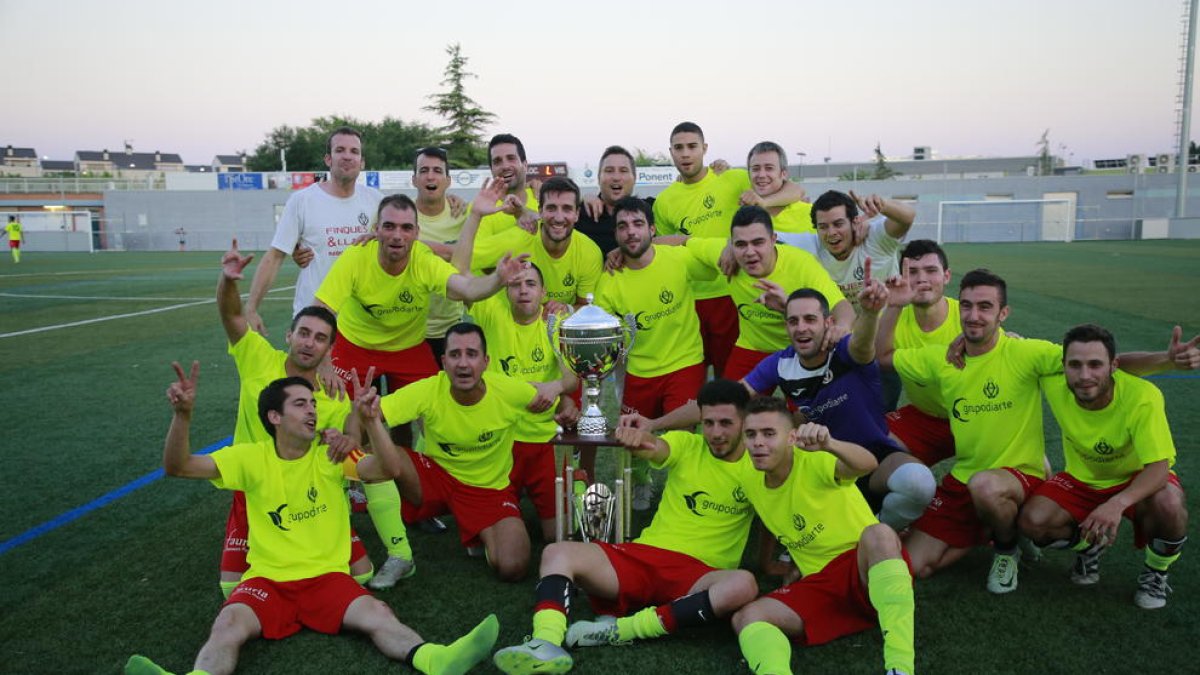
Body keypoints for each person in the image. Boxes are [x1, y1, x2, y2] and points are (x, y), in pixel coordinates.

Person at [126, 367, 499, 675]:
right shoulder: (250, 458)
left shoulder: (331, 456)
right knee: (227, 625)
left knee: (378, 613)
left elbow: (388, 468)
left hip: (327, 579)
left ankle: (435, 659)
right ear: (274, 417)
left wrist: (370, 422)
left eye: (313, 404)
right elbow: (178, 466)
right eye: (300, 404)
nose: (312, 411)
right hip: (267, 581)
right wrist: (183, 415)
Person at [876, 269, 1197, 594]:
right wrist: (893, 306)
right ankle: (987, 530)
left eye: (985, 307)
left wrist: (1167, 361)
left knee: (986, 487)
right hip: (965, 477)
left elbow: (1096, 359)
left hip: (1015, 475)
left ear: (1003, 314)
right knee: (915, 567)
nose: (974, 315)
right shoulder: (942, 358)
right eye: (967, 306)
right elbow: (883, 358)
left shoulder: (1027, 354)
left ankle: (1006, 550)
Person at [492, 380, 758, 675]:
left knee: (743, 584)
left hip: (701, 577)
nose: (716, 433)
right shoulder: (689, 445)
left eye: (725, 423)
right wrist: (638, 438)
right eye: (708, 423)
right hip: (646, 556)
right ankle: (545, 643)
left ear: (744, 422)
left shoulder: (759, 465)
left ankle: (622, 630)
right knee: (557, 552)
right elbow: (657, 447)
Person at [215, 239, 416, 592]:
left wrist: (355, 425)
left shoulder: (332, 394)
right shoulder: (259, 359)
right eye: (304, 333)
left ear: (329, 350)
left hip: (309, 488)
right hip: (256, 486)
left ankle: (399, 552)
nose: (309, 342)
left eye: (320, 338)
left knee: (361, 574)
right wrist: (229, 281)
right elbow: (232, 316)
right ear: (289, 335)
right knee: (232, 590)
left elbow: (350, 437)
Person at [731, 396, 915, 675]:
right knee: (748, 616)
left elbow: (867, 464)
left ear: (791, 437)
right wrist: (769, 562)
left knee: (879, 533)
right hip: (821, 584)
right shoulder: (749, 477)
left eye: (769, 434)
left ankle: (900, 667)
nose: (758, 442)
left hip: (864, 569)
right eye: (751, 434)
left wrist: (830, 444)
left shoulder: (815, 460)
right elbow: (769, 515)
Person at [1019, 323, 1189, 609]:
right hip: (1082, 480)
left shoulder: (1142, 396)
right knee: (1032, 522)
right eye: (1075, 365)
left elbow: (1159, 467)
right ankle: (1089, 545)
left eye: (1095, 365)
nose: (1084, 376)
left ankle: (1156, 572)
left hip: (1137, 479)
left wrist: (1118, 503)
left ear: (1114, 366)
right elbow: (997, 345)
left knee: (1170, 505)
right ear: (1062, 366)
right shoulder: (1054, 381)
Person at [313, 193, 526, 401]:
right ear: (376, 229)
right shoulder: (356, 255)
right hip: (355, 345)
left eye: (406, 228)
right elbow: (321, 310)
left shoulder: (423, 260)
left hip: (408, 347)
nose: (397, 235)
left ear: (417, 232)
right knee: (342, 414)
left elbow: (466, 288)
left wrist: (498, 279)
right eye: (389, 226)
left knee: (435, 409)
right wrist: (324, 362)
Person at [379, 324, 542, 582]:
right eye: (455, 355)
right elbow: (369, 412)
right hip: (437, 479)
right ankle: (398, 552)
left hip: (489, 491)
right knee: (380, 459)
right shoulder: (429, 389)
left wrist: (563, 399)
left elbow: (554, 404)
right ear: (444, 361)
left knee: (513, 567)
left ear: (486, 361)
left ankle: (482, 533)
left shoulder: (509, 391)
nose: (463, 364)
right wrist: (355, 430)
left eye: (471, 354)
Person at [653, 122, 807, 376]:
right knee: (691, 376)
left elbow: (795, 190)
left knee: (732, 378)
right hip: (689, 299)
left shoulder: (733, 178)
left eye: (692, 146)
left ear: (705, 148)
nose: (685, 153)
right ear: (670, 152)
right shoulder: (664, 201)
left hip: (731, 293)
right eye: (678, 148)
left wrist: (762, 202)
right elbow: (668, 248)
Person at [593, 196, 714, 508]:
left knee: (683, 436)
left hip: (684, 362)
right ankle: (641, 483)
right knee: (632, 438)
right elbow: (607, 336)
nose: (631, 232)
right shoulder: (609, 281)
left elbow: (713, 259)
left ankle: (683, 488)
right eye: (622, 227)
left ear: (652, 229)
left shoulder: (678, 259)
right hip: (640, 370)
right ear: (616, 235)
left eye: (637, 224)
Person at [468, 262, 579, 540]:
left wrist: (553, 388)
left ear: (543, 292)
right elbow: (460, 275)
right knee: (503, 539)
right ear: (505, 291)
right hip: (500, 441)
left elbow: (572, 378)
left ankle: (576, 485)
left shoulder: (555, 322)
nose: (523, 290)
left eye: (530, 284)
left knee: (559, 536)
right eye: (515, 284)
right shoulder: (492, 312)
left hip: (544, 441)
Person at [684, 205, 853, 380]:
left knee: (807, 407)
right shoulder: (725, 257)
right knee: (729, 403)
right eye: (741, 244)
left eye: (758, 242)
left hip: (797, 349)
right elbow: (682, 241)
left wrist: (843, 326)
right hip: (752, 346)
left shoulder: (801, 264)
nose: (750, 252)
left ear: (773, 240)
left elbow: (841, 305)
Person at [245, 126, 382, 334]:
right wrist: (251, 308)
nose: (347, 156)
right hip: (314, 320)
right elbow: (275, 256)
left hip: (361, 322)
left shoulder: (376, 201)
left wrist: (449, 199)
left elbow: (405, 236)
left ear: (362, 162)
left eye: (354, 152)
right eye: (340, 150)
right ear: (328, 159)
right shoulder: (302, 201)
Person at [874, 240, 962, 466]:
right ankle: (914, 477)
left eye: (931, 270)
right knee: (870, 442)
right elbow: (878, 359)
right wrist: (893, 306)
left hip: (976, 417)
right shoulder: (894, 318)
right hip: (925, 416)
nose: (921, 278)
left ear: (947, 276)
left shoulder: (966, 316)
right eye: (912, 272)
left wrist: (1010, 338)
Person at [455, 177, 602, 309]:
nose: (558, 217)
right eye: (551, 208)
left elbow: (585, 305)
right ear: (540, 211)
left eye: (567, 209)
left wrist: (566, 309)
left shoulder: (589, 252)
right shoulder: (519, 238)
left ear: (577, 214)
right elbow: (462, 258)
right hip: (513, 328)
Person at [774, 190, 915, 314]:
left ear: (855, 222)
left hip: (887, 330)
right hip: (844, 335)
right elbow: (766, 236)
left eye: (838, 224)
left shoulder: (875, 239)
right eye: (823, 227)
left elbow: (907, 217)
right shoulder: (810, 244)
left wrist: (881, 204)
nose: (831, 233)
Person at [575, 146, 650, 256]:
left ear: (634, 178)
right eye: (609, 171)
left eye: (623, 171)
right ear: (598, 178)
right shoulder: (580, 214)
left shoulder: (649, 209)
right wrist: (582, 198)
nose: (616, 177)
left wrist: (622, 250)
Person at [741, 141, 814, 234]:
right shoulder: (738, 207)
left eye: (769, 168)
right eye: (755, 169)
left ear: (783, 174)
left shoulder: (811, 214)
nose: (761, 175)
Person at [476, 133, 540, 239]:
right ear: (491, 169)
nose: (505, 166)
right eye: (497, 161)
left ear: (525, 165)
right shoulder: (479, 209)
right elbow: (476, 252)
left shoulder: (542, 197)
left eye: (511, 158)